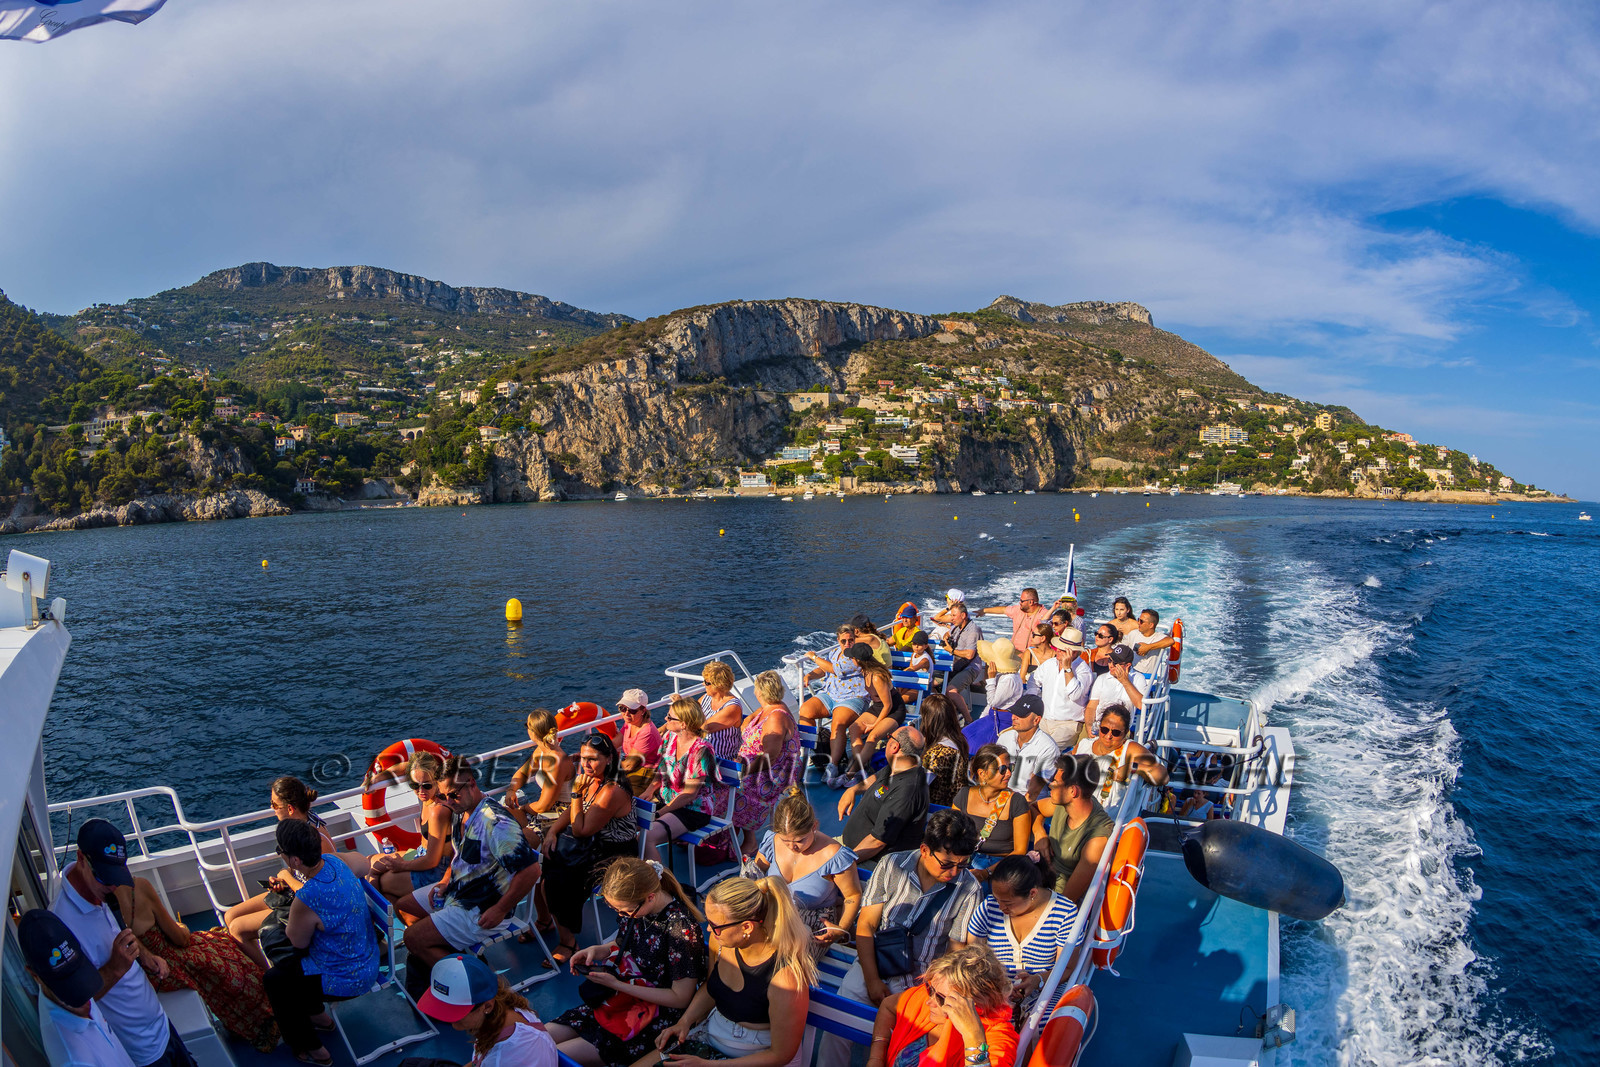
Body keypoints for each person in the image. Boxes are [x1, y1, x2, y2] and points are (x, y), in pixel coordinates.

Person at [816, 812, 982, 1067]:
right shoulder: (892, 865)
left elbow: (955, 949)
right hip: (874, 964)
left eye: (962, 864)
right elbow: (867, 924)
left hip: (921, 983)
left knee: (904, 1050)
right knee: (835, 1028)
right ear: (925, 850)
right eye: (947, 864)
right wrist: (872, 980)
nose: (954, 872)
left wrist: (930, 992)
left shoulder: (969, 888)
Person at [50, 819, 194, 1067]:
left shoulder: (101, 892)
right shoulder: (61, 925)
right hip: (142, 1052)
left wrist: (146, 957)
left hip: (161, 1025)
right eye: (106, 878)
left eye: (116, 876)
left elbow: (120, 933)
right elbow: (74, 1002)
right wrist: (116, 967)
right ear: (81, 858)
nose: (114, 885)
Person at [401, 756, 544, 1001]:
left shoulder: (495, 824)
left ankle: (488, 987)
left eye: (453, 795)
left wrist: (500, 910)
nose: (448, 802)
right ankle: (454, 954)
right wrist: (446, 880)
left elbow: (531, 871)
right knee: (405, 907)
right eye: (442, 796)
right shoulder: (460, 810)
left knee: (412, 938)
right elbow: (460, 855)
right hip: (457, 892)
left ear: (472, 784)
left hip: (481, 907)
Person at [549, 858, 706, 1067]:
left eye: (624, 911)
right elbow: (623, 942)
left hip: (652, 1014)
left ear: (649, 897)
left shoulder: (681, 930)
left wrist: (616, 985)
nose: (622, 915)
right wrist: (596, 950)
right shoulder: (636, 910)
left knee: (552, 1053)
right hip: (621, 999)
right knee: (540, 1037)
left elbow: (680, 998)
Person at [652, 877, 815, 1067]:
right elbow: (712, 987)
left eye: (715, 926)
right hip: (714, 1036)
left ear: (746, 927)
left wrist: (708, 1065)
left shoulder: (786, 977)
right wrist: (685, 1021)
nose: (709, 931)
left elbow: (780, 1055)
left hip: (757, 1055)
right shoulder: (721, 943)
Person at [265, 818, 380, 1065]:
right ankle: (319, 1017)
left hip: (348, 979)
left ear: (295, 860)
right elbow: (363, 864)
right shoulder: (337, 862)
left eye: (281, 852)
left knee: (276, 980)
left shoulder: (307, 897)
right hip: (369, 959)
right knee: (296, 969)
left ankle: (314, 1049)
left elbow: (296, 941)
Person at [123, 875, 279, 1052]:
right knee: (226, 954)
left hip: (144, 974)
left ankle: (242, 1020)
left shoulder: (101, 906)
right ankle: (267, 1014)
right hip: (170, 962)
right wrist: (182, 927)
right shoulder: (138, 886)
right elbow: (180, 939)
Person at [538, 734, 640, 963]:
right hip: (593, 844)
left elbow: (580, 829)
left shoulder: (612, 789)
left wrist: (575, 792)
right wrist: (552, 832)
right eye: (583, 758)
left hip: (615, 852)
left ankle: (568, 942)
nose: (585, 764)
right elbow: (576, 812)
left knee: (559, 878)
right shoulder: (592, 779)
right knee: (544, 863)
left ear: (608, 760)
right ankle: (546, 920)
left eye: (592, 759)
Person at [224, 776, 343, 969]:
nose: (271, 809)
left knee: (237, 929)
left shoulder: (317, 841)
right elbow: (302, 872)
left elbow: (322, 893)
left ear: (290, 808)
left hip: (311, 907)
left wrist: (287, 877)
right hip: (295, 893)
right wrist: (283, 880)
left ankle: (267, 978)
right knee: (230, 916)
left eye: (274, 804)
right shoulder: (301, 827)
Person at [865, 945, 1019, 1067]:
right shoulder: (936, 993)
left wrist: (973, 1036)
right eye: (930, 988)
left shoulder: (998, 1038)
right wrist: (876, 1058)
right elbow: (888, 1006)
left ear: (975, 1003)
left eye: (940, 998)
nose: (929, 1001)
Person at [20, 908, 138, 1067]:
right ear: (34, 975)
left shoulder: (52, 987)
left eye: (78, 973)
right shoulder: (74, 1060)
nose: (84, 994)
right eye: (67, 985)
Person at [749, 787, 862, 953]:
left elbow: (852, 896)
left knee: (773, 955)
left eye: (800, 840)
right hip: (773, 916)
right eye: (785, 841)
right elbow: (755, 875)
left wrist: (840, 929)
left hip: (812, 926)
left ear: (814, 826)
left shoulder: (834, 856)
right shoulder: (772, 842)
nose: (792, 847)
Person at [964, 855, 1079, 1012]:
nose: (1000, 907)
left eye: (1007, 903)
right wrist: (995, 987)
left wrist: (1038, 980)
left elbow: (1067, 968)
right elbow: (973, 957)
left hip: (1045, 988)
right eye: (997, 899)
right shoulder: (988, 907)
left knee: (1044, 1025)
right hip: (994, 990)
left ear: (1032, 893)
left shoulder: (1065, 913)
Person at [419, 953, 559, 1067]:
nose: (446, 1017)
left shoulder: (502, 1059)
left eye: (455, 1011)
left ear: (487, 1006)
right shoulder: (509, 1010)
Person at [369, 750, 456, 906]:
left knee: (383, 881)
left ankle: (391, 920)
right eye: (415, 785)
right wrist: (379, 778)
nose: (421, 791)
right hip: (421, 854)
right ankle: (399, 914)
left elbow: (432, 861)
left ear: (437, 780)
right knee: (371, 862)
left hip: (435, 870)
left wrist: (401, 866)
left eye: (427, 785)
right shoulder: (427, 795)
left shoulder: (438, 810)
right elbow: (406, 766)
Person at [645, 696, 724, 865]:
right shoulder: (669, 737)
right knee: (630, 826)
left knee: (647, 837)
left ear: (683, 724)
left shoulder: (701, 750)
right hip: (668, 800)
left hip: (694, 809)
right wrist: (649, 790)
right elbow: (663, 769)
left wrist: (660, 813)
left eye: (670, 717)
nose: (665, 720)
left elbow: (689, 794)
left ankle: (659, 885)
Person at [732, 671, 800, 857]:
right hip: (756, 764)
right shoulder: (768, 708)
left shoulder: (777, 717)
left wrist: (744, 772)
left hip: (776, 771)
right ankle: (728, 836)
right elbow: (751, 719)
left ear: (759, 693)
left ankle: (750, 841)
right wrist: (747, 723)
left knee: (737, 788)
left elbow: (770, 757)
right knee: (721, 784)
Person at [837, 725, 930, 861]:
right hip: (849, 848)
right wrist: (853, 790)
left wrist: (843, 863)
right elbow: (876, 778)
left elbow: (878, 842)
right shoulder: (899, 766)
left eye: (888, 738)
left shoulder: (907, 790)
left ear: (894, 747)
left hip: (867, 860)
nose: (886, 742)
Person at [1031, 755, 1114, 904]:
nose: (1050, 785)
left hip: (1054, 899)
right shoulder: (1065, 804)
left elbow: (1066, 900)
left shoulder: (1097, 838)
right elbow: (1034, 808)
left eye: (1055, 782)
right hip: (1040, 879)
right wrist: (1039, 833)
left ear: (1072, 791)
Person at [799, 624, 869, 787]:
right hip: (830, 693)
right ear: (838, 640)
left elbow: (834, 669)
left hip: (853, 696)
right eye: (843, 641)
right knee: (805, 711)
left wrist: (813, 656)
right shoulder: (835, 652)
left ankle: (833, 765)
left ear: (855, 639)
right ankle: (814, 752)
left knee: (837, 723)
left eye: (850, 640)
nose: (847, 644)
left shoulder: (856, 656)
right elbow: (824, 670)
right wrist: (810, 674)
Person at [1075, 705, 1168, 820]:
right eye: (1104, 729)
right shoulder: (1084, 746)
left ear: (1125, 733)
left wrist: (1131, 767)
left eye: (1116, 732)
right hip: (1077, 818)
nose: (1108, 736)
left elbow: (1162, 777)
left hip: (1110, 828)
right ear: (1099, 726)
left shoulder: (1130, 749)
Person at [953, 746, 1032, 875]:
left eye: (1010, 767)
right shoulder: (964, 795)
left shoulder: (1016, 802)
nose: (1009, 773)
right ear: (982, 774)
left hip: (1002, 865)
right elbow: (952, 835)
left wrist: (986, 873)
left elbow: (1020, 851)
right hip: (966, 858)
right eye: (1002, 769)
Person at [507, 708, 577, 837]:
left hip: (560, 815)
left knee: (514, 840)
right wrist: (511, 790)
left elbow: (543, 806)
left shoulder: (557, 761)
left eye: (526, 726)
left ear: (533, 732)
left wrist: (523, 808)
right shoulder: (540, 751)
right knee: (500, 815)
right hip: (545, 810)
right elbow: (523, 773)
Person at [842, 644, 906, 783]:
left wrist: (875, 724)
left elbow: (888, 705)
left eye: (852, 657)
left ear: (858, 660)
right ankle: (861, 767)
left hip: (894, 710)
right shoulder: (864, 671)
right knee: (853, 729)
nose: (851, 659)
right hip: (878, 707)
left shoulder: (877, 677)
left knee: (872, 737)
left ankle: (851, 773)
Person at [1032, 629, 1094, 747]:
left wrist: (1067, 669)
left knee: (1046, 749)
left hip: (1068, 725)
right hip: (1043, 720)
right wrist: (1034, 698)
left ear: (1074, 653)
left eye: (1062, 649)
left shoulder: (1084, 671)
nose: (1057, 651)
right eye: (1057, 648)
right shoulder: (1049, 664)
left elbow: (1075, 695)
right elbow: (1033, 680)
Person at [995, 694, 1059, 798]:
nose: (1014, 717)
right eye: (1014, 712)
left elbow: (1032, 794)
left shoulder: (1048, 748)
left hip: (1027, 804)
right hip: (1002, 796)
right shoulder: (1005, 737)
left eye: (1021, 714)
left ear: (1036, 720)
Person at [918, 693, 970, 807]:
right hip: (953, 807)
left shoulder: (937, 753)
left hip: (935, 810)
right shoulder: (959, 741)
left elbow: (919, 787)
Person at [937, 602, 982, 721]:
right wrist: (946, 636)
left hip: (970, 668)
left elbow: (969, 654)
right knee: (934, 684)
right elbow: (949, 632)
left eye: (954, 616)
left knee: (950, 691)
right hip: (957, 665)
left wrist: (951, 651)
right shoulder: (956, 626)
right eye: (951, 615)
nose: (951, 618)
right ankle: (952, 716)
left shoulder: (973, 631)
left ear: (963, 615)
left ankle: (968, 720)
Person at [1084, 644, 1145, 729]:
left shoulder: (1137, 678)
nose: (1111, 665)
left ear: (1127, 665)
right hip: (1099, 726)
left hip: (1120, 730)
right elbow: (1091, 706)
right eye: (1109, 660)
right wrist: (1089, 725)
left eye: (1115, 663)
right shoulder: (1102, 678)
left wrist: (1125, 681)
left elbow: (1141, 704)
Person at [616, 689, 664, 794]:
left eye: (632, 710)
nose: (626, 713)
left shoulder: (647, 732)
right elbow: (614, 743)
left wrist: (604, 765)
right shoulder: (630, 722)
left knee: (617, 794)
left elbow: (629, 765)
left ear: (643, 711)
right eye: (622, 708)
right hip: (633, 769)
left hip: (645, 773)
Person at [700, 661, 748, 760]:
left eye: (706, 682)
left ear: (718, 685)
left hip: (720, 760)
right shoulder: (706, 698)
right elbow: (687, 713)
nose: (703, 684)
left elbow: (703, 728)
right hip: (702, 754)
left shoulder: (732, 707)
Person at [977, 587, 1048, 653]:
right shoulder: (1018, 610)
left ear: (1031, 602)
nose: (1020, 603)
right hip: (1013, 651)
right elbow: (1003, 609)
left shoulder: (1043, 615)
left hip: (1031, 653)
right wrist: (984, 610)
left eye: (1022, 601)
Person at [1119, 609, 1173, 693]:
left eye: (1141, 621)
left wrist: (1148, 647)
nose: (1138, 623)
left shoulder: (1158, 637)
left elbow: (1170, 641)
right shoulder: (1133, 634)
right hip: (1132, 672)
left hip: (1148, 677)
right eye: (1138, 620)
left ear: (1151, 625)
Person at [978, 638, 1027, 715]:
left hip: (1002, 716)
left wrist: (991, 679)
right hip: (996, 714)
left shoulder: (1009, 679)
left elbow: (992, 703)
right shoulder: (1004, 675)